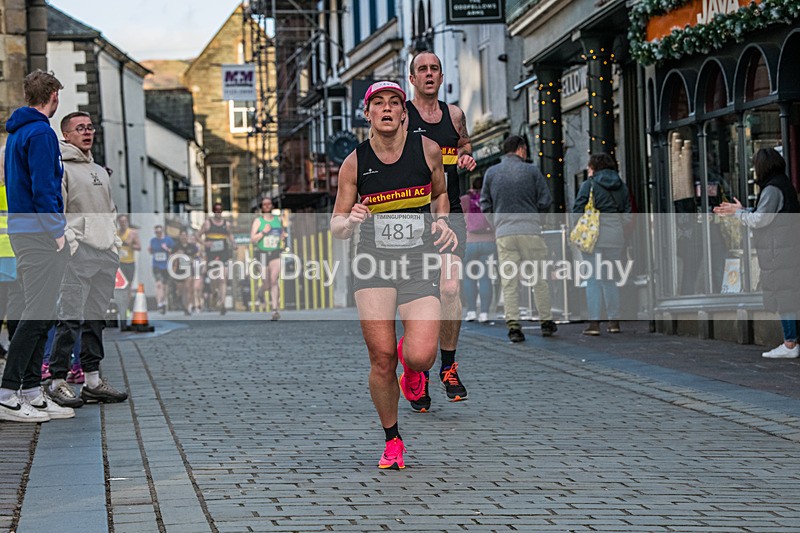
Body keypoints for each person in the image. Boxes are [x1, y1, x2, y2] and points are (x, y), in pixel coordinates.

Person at [330, 81, 455, 468]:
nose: (386, 108)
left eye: (394, 102)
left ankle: (413, 369)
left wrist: (442, 222)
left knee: (421, 356)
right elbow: (336, 225)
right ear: (367, 113)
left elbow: (440, 194)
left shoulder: (428, 150)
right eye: (378, 103)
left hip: (418, 263)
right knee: (382, 358)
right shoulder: (354, 163)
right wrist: (349, 220)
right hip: (373, 266)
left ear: (404, 113)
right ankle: (393, 439)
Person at [404, 50, 476, 411]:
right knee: (418, 298)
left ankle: (448, 367)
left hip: (451, 213)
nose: (429, 74)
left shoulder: (455, 115)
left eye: (434, 68)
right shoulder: (403, 115)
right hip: (412, 217)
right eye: (422, 69)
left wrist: (465, 155)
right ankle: (417, 371)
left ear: (442, 77)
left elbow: (464, 145)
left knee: (449, 288)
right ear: (412, 79)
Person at [0, 70, 72, 423]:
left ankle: (30, 391)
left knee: (36, 312)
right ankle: (6, 393)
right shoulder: (42, 133)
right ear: (54, 96)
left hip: (23, 231)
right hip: (40, 235)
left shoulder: (17, 133)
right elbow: (44, 188)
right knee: (37, 314)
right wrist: (57, 232)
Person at [46, 111, 127, 407]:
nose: (87, 132)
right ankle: (57, 381)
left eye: (90, 127)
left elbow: (110, 210)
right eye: (80, 128)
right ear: (66, 135)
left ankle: (93, 381)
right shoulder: (61, 168)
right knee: (70, 318)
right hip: (78, 253)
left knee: (96, 320)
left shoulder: (100, 171)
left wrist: (114, 244)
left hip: (105, 253)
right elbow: (58, 209)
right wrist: (72, 245)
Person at [714, 148, 800, 359]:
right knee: (788, 293)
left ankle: (790, 343)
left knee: (784, 295)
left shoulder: (772, 189)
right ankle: (791, 341)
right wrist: (742, 211)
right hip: (785, 249)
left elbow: (760, 219)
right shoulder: (782, 184)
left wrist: (739, 213)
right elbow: (764, 214)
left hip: (779, 251)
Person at [480, 135, 557, 343]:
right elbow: (546, 200)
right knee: (539, 278)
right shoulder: (532, 171)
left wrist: (496, 223)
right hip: (530, 230)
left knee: (509, 281)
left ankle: (513, 326)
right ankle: (546, 322)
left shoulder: (491, 173)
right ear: (521, 149)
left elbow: (485, 203)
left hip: (504, 233)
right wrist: (537, 218)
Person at [571, 153, 632, 335]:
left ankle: (594, 323)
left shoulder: (589, 184)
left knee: (593, 279)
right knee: (609, 279)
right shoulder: (622, 186)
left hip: (593, 237)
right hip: (615, 236)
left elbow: (577, 210)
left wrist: (580, 227)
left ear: (594, 167)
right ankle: (614, 322)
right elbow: (628, 213)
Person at [460, 176, 495, 324]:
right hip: (489, 242)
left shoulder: (465, 200)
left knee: (469, 278)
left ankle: (471, 312)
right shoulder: (489, 199)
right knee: (485, 277)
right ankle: (485, 313)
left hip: (470, 243)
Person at [250, 196, 285, 320]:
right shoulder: (258, 221)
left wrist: (282, 237)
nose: (267, 206)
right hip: (262, 253)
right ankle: (261, 292)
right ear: (261, 207)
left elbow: (281, 233)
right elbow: (252, 239)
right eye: (264, 204)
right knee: (267, 282)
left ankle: (275, 310)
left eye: (269, 204)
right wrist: (263, 232)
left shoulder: (278, 219)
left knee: (274, 280)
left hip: (275, 252)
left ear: (272, 206)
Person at [199, 203, 234, 314]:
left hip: (223, 253)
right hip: (211, 254)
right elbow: (197, 235)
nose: (218, 212)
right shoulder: (207, 223)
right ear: (214, 211)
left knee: (223, 278)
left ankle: (222, 304)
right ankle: (214, 292)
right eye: (216, 210)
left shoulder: (226, 224)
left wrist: (234, 243)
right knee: (214, 279)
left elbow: (230, 235)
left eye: (220, 210)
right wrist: (205, 243)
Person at [173, 229, 200, 315]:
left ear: (187, 236)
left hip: (189, 269)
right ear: (179, 237)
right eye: (182, 235)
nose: (183, 237)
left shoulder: (192, 247)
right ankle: (184, 304)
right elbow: (171, 257)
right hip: (179, 269)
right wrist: (177, 254)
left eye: (185, 235)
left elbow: (197, 256)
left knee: (188, 288)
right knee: (181, 290)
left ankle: (187, 307)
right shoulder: (176, 246)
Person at [148, 224, 174, 313]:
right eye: (156, 232)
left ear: (162, 231)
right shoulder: (153, 241)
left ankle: (164, 301)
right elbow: (151, 251)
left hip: (166, 266)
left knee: (165, 286)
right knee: (158, 284)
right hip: (156, 265)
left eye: (159, 232)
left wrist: (166, 248)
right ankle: (159, 304)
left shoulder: (168, 240)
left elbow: (173, 251)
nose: (158, 233)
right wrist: (150, 250)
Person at [117, 214, 141, 307]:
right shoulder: (116, 233)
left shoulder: (132, 233)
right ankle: (120, 304)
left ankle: (127, 306)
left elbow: (139, 247)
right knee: (120, 285)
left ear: (127, 222)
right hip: (119, 263)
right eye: (121, 222)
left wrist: (130, 245)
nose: (123, 223)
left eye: (124, 221)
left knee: (128, 285)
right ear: (118, 222)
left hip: (129, 262)